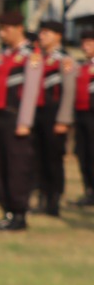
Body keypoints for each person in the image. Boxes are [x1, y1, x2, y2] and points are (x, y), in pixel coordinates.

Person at [0, 10, 43, 231]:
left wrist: (25, 122)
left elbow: (31, 91)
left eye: (6, 29)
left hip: (15, 117)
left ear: (18, 29)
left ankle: (19, 213)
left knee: (17, 167)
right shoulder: (2, 55)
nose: (3, 33)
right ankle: (6, 210)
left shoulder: (30, 56)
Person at [30, 20, 74, 216]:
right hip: (38, 111)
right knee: (38, 156)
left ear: (58, 36)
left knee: (53, 158)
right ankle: (42, 194)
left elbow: (69, 91)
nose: (42, 36)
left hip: (54, 112)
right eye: (42, 33)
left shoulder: (64, 59)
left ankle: (54, 199)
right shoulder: (38, 57)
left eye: (47, 33)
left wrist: (63, 119)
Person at [73, 31, 94, 207]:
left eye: (89, 43)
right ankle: (89, 190)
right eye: (84, 43)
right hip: (81, 115)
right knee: (83, 153)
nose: (85, 47)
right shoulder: (82, 66)